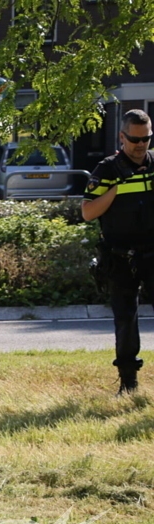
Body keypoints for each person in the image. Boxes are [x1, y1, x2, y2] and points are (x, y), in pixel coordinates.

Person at [82, 108, 154, 393]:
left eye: (146, 139)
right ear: (122, 137)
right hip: (120, 256)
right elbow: (88, 212)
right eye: (135, 139)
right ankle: (128, 383)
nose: (140, 145)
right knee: (125, 319)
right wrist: (117, 189)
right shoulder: (107, 169)